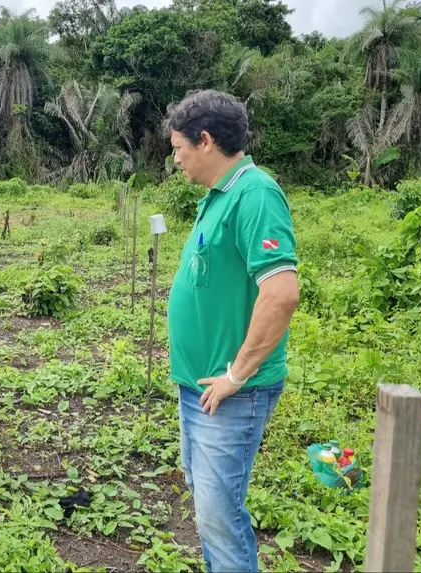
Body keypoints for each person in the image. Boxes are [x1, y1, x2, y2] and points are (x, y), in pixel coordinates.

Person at [164, 89, 300, 572]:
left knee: (220, 517)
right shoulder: (218, 196)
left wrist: (236, 374)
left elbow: (281, 293)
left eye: (178, 147)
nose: (174, 158)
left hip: (231, 393)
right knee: (209, 508)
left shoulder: (255, 193)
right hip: (200, 387)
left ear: (205, 141)